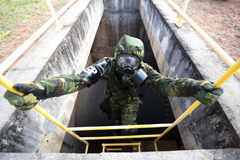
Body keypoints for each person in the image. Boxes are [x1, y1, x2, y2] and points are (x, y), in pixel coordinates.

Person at [4, 34, 223, 151]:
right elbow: (78, 80)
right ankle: (119, 134)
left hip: (131, 102)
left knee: (128, 127)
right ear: (115, 56)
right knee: (114, 119)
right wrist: (42, 90)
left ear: (139, 61)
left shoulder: (144, 70)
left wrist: (192, 87)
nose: (127, 65)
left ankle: (127, 141)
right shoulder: (105, 65)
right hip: (113, 100)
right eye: (123, 59)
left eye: (132, 60)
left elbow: (166, 84)